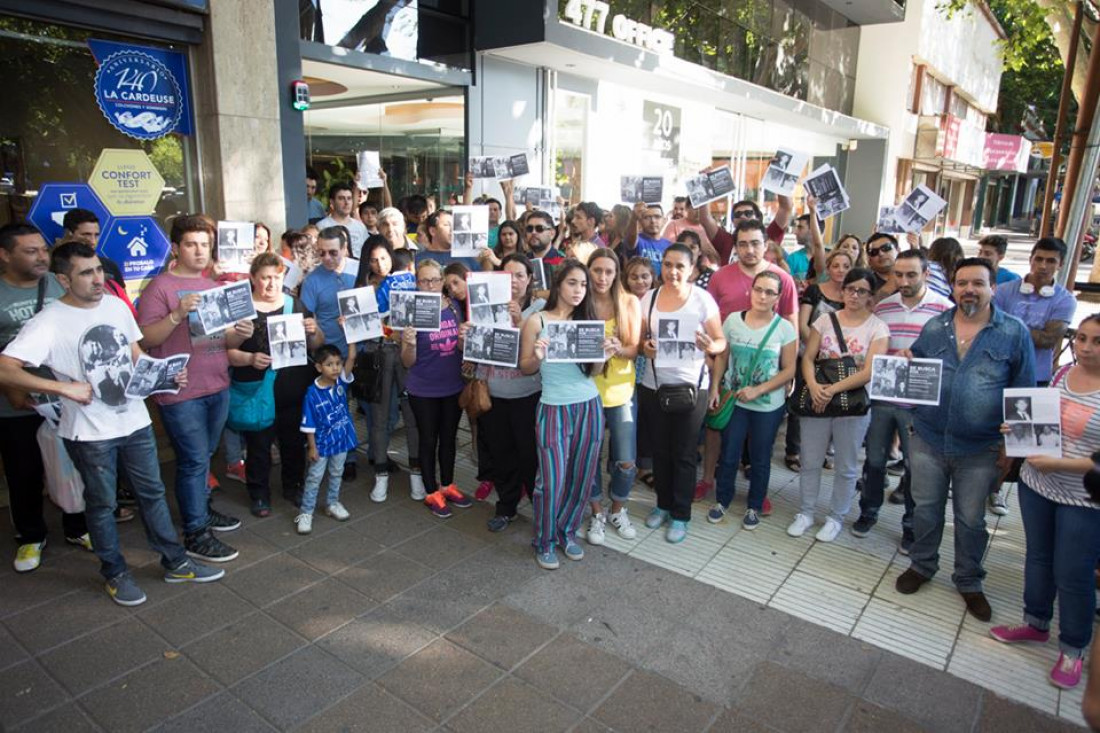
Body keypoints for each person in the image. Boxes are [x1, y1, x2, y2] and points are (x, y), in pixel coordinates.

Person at [0, 241, 224, 605]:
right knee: (102, 503)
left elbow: (135, 354)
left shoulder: (117, 305)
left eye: (99, 270)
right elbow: (5, 367)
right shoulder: (49, 321)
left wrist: (162, 377)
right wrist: (61, 387)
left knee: (152, 494)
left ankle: (175, 561)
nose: (98, 279)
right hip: (89, 432)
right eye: (86, 273)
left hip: (134, 421)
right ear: (63, 279)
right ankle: (115, 572)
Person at [896, 258, 1035, 621]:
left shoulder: (1013, 332)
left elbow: (1024, 391)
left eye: (977, 283)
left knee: (971, 519)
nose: (968, 290)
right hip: (927, 438)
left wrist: (1012, 448)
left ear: (993, 288)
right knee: (925, 510)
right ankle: (922, 566)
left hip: (981, 448)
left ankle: (969, 580)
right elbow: (918, 372)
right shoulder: (935, 326)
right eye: (961, 283)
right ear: (953, 287)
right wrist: (906, 361)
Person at [989, 316, 1100, 689]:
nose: (1085, 347)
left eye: (1096, 341)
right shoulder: (1062, 372)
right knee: (1037, 557)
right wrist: (1016, 428)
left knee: (1073, 572)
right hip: (1037, 484)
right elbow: (1040, 419)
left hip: (1085, 497)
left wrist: (1059, 463)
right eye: (1081, 338)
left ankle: (1073, 647)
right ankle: (1035, 622)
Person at [137, 215, 253, 563]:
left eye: (205, 244)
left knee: (204, 458)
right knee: (191, 461)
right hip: (180, 391)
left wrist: (240, 334)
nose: (200, 251)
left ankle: (202, 511)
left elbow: (220, 338)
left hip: (216, 382)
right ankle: (196, 532)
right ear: (176, 248)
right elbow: (145, 340)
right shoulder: (160, 287)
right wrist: (175, 315)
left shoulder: (213, 285)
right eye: (191, 244)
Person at [0, 224, 89, 571]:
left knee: (73, 467)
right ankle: (30, 537)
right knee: (25, 472)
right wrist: (13, 389)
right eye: (30, 251)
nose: (41, 256)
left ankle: (77, 528)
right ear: (5, 255)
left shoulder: (58, 284)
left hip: (66, 398)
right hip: (15, 404)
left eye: (43, 249)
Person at [519, 260, 615, 567]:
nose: (578, 290)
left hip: (589, 406)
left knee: (582, 476)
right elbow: (525, 368)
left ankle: (566, 531)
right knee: (551, 479)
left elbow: (594, 372)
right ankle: (544, 539)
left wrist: (604, 356)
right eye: (573, 283)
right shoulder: (537, 320)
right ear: (559, 284)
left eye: (583, 285)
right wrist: (537, 355)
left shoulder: (587, 320)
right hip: (553, 408)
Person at [853, 250, 951, 547]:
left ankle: (910, 525)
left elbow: (950, 356)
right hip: (883, 397)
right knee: (874, 459)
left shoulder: (945, 310)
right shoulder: (883, 308)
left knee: (915, 466)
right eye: (899, 274)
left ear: (926, 274)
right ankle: (868, 512)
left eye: (911, 274)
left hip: (920, 405)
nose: (904, 280)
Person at [700, 219, 798, 502]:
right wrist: (711, 361)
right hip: (726, 366)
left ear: (766, 245)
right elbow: (710, 318)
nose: (749, 250)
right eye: (742, 244)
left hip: (768, 377)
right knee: (720, 431)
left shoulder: (783, 279)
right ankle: (710, 483)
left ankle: (757, 495)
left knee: (760, 446)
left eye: (755, 243)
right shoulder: (720, 277)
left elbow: (791, 322)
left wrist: (788, 376)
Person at [788, 268, 889, 542]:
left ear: (870, 296)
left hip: (852, 404)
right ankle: (806, 512)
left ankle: (836, 516)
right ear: (842, 291)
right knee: (810, 460)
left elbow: (870, 371)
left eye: (862, 291)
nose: (855, 295)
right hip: (818, 400)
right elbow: (808, 358)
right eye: (850, 289)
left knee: (846, 465)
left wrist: (831, 389)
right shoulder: (824, 320)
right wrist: (815, 387)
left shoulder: (877, 327)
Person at [639, 244, 727, 543]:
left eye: (679, 266)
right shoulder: (648, 298)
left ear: (692, 269)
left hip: (692, 387)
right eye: (667, 264)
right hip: (654, 385)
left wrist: (709, 347)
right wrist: (645, 348)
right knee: (660, 450)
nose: (672, 271)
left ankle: (680, 514)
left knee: (685, 453)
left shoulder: (702, 300)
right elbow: (640, 341)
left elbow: (720, 342)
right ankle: (662, 505)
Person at [227, 253, 324, 516]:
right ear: (252, 279)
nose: (271, 284)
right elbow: (226, 352)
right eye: (265, 278)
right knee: (258, 446)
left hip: (293, 390)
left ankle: (293, 485)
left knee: (294, 443)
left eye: (277, 277)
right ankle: (259, 493)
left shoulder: (295, 303)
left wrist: (313, 330)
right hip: (257, 392)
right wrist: (249, 357)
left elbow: (316, 345)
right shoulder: (242, 309)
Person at [709, 270, 797, 528]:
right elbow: (723, 357)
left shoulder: (784, 328)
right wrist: (715, 386)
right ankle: (722, 500)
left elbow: (789, 369)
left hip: (767, 406)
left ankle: (754, 505)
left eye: (769, 292)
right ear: (751, 291)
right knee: (729, 453)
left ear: (778, 297)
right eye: (758, 289)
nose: (762, 296)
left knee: (760, 457)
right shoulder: (733, 321)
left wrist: (758, 390)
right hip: (734, 401)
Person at [401, 259, 472, 518]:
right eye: (424, 280)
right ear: (417, 283)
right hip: (423, 388)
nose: (430, 285)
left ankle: (448, 484)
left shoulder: (454, 307)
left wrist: (464, 340)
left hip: (452, 385)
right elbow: (407, 362)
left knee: (449, 439)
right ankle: (431, 491)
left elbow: (462, 350)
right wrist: (408, 343)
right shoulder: (411, 311)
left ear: (442, 281)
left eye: (434, 280)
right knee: (428, 439)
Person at [480, 253, 545, 531]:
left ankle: (540, 507)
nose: (514, 281)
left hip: (528, 394)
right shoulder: (486, 305)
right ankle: (506, 507)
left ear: (530, 279)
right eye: (508, 275)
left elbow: (534, 354)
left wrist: (518, 322)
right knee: (501, 452)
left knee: (530, 455)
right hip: (495, 391)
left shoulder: (540, 308)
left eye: (520, 275)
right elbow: (479, 349)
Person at [584, 248, 642, 545]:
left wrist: (618, 348)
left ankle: (619, 508)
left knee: (626, 460)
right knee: (590, 458)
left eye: (608, 271)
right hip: (586, 392)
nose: (602, 277)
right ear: (588, 270)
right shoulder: (581, 301)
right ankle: (596, 513)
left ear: (616, 273)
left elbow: (636, 349)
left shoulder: (629, 301)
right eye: (597, 270)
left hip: (621, 392)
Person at [993, 237, 1075, 387]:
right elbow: (992, 331)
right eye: (1039, 259)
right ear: (1030, 260)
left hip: (1037, 376)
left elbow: (1048, 341)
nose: (1043, 266)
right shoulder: (1003, 291)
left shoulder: (1065, 300)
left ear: (1060, 265)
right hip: (1000, 371)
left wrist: (1008, 326)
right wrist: (1035, 333)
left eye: (1051, 261)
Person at [296, 344, 357, 534]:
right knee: (314, 477)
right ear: (318, 367)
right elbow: (309, 424)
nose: (336, 368)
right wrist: (312, 447)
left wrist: (350, 335)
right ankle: (306, 512)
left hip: (342, 439)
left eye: (338, 363)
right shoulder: (311, 394)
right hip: (321, 444)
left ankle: (332, 503)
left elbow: (352, 357)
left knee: (337, 472)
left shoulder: (341, 383)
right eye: (330, 364)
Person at [699, 195, 792, 265]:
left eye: (748, 213)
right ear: (733, 221)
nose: (742, 216)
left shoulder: (769, 235)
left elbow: (785, 208)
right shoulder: (725, 241)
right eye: (738, 214)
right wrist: (705, 186)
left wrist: (781, 176)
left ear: (758, 218)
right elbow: (705, 219)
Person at [318, 182, 369, 258]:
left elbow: (368, 252)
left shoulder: (360, 227)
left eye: (349, 198)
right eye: (341, 198)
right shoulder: (322, 226)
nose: (346, 202)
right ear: (332, 202)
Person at [621, 202, 671, 276]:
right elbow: (631, 239)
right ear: (640, 221)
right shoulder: (637, 240)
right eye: (647, 217)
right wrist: (634, 218)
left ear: (664, 220)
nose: (653, 221)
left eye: (657, 217)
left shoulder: (670, 245)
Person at [865, 232, 899, 300]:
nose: (881, 253)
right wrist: (891, 285)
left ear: (898, 250)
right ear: (869, 259)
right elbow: (866, 308)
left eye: (886, 248)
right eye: (874, 252)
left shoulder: (911, 276)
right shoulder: (865, 282)